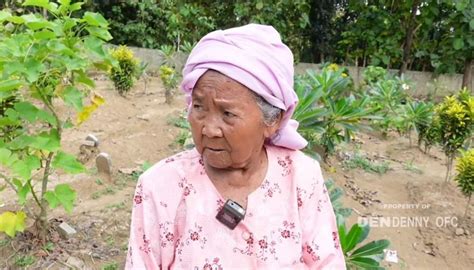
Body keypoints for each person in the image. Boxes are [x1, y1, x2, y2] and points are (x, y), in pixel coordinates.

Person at [126, 24, 345, 269]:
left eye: (227, 113)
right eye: (198, 107)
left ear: (272, 120)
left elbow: (327, 263)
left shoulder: (301, 177)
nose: (209, 129)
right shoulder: (161, 186)